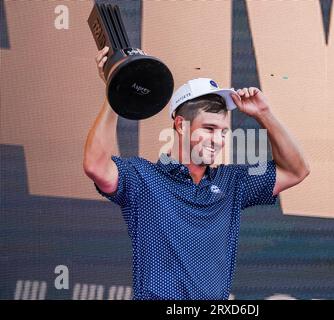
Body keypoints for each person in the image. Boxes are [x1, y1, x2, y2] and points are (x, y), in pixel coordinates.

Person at [83, 46, 310, 300]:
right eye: (209, 128)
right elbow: (96, 166)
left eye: (223, 131)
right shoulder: (142, 178)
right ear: (181, 125)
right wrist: (117, 91)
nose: (218, 140)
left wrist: (264, 114)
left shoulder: (232, 183)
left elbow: (296, 170)